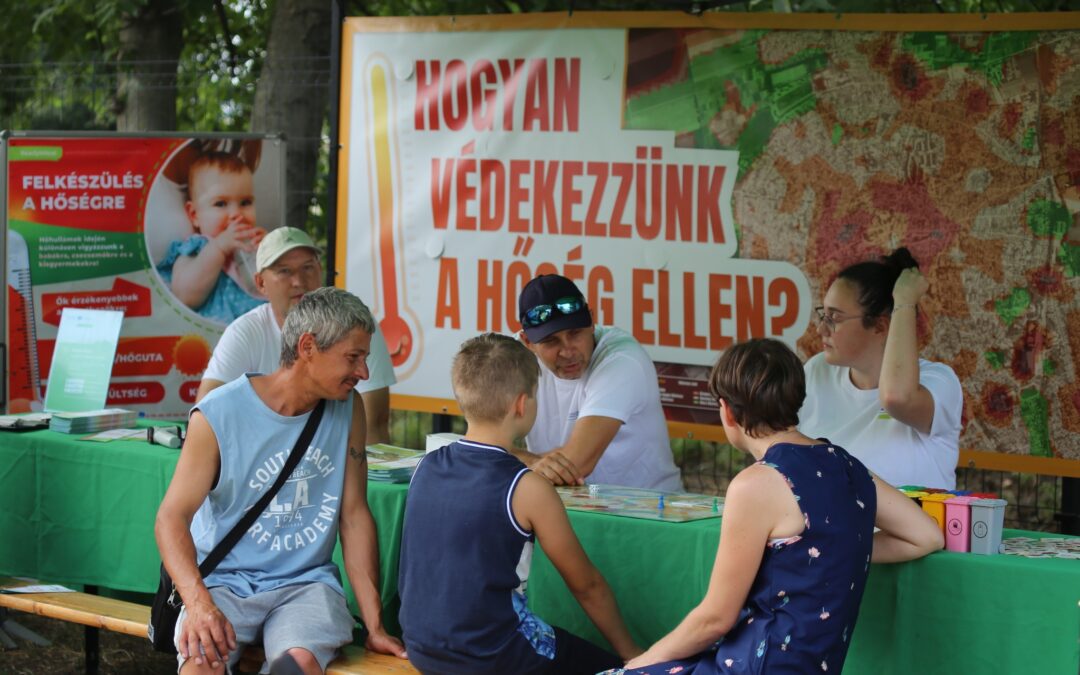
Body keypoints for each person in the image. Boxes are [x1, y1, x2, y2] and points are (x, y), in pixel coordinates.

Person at [610, 338, 943, 675]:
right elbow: (925, 535)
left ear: (726, 410)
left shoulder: (757, 484)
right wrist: (829, 548)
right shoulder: (847, 467)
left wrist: (639, 662)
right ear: (796, 399)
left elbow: (714, 619)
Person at [155, 287, 406, 675]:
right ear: (308, 347)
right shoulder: (217, 414)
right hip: (223, 583)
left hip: (305, 585)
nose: (363, 373)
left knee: (298, 664)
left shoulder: (348, 408)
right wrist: (199, 603)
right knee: (201, 663)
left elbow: (354, 515)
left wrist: (374, 626)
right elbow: (171, 518)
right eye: (353, 357)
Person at [398, 333, 641, 674]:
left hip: (424, 648)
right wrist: (634, 656)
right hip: (495, 657)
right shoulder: (527, 488)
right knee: (613, 666)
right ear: (522, 405)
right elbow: (587, 585)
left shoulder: (426, 466)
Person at [196, 227, 396, 444]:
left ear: (320, 269)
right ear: (261, 283)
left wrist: (372, 474)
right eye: (284, 271)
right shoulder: (245, 332)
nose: (299, 281)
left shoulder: (356, 325)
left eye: (308, 267)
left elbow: (373, 423)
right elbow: (207, 414)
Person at [798, 248, 963, 489]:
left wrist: (905, 302)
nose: (821, 330)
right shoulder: (817, 371)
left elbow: (896, 397)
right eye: (824, 314)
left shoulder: (938, 382)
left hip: (911, 528)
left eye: (835, 318)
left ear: (880, 326)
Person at [514, 274, 682, 491]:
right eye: (550, 341)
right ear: (527, 342)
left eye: (575, 333)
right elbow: (479, 442)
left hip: (650, 512)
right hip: (567, 505)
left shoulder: (622, 360)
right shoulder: (511, 359)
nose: (567, 351)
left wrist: (505, 458)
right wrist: (530, 463)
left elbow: (576, 464)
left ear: (592, 322)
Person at [158, 151, 267, 323]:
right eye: (221, 204)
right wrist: (219, 248)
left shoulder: (258, 244)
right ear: (194, 215)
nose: (236, 214)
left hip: (258, 335)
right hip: (213, 338)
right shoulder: (197, 247)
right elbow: (184, 296)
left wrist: (272, 254)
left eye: (245, 202)